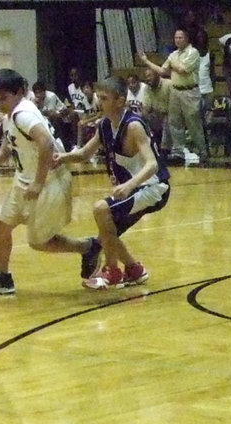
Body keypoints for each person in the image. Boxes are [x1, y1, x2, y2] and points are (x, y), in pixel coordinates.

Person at [0, 69, 99, 296]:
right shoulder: (11, 116)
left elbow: (45, 143)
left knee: (39, 242)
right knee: (1, 225)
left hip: (49, 181)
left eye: (3, 98)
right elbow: (5, 152)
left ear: (19, 93)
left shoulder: (23, 114)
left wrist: (37, 182)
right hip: (25, 179)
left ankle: (88, 247)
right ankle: (1, 279)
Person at [58, 76, 171, 290]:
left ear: (120, 101)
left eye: (104, 98)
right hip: (136, 189)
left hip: (153, 187)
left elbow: (152, 165)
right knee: (107, 232)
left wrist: (129, 185)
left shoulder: (134, 125)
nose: (99, 102)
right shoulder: (105, 125)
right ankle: (134, 270)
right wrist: (60, 158)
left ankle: (112, 272)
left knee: (101, 209)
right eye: (98, 97)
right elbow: (83, 154)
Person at [137, 29, 206, 165]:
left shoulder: (193, 53)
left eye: (180, 37)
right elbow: (163, 71)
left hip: (189, 91)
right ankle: (178, 151)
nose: (178, 40)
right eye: (176, 38)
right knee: (174, 122)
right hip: (175, 90)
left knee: (193, 122)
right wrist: (147, 61)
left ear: (186, 39)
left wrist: (172, 64)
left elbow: (182, 70)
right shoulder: (173, 54)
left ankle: (202, 151)